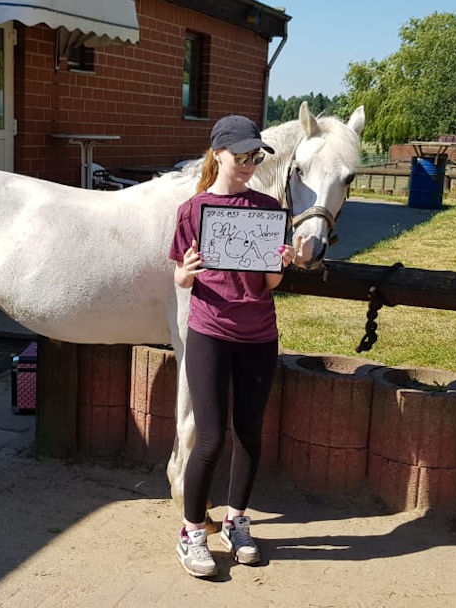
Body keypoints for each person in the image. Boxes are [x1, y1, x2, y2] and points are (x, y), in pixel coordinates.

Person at [169, 115, 295, 578]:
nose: (247, 164)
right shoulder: (193, 209)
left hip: (258, 334)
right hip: (209, 332)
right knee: (210, 437)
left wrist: (281, 264)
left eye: (254, 156)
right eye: (239, 155)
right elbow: (180, 277)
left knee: (249, 433)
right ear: (217, 154)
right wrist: (186, 271)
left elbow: (270, 284)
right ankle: (191, 531)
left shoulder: (268, 208)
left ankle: (237, 522)